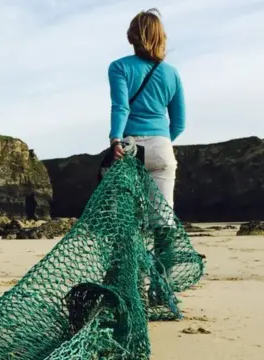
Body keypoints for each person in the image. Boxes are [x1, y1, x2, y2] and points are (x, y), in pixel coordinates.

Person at [107, 8, 186, 306]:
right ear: (160, 38)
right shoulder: (172, 73)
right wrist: (161, 143)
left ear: (132, 37)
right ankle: (161, 292)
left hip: (128, 148)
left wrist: (116, 139)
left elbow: (120, 108)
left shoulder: (119, 67)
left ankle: (131, 290)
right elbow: (179, 122)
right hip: (162, 148)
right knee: (163, 224)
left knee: (128, 222)